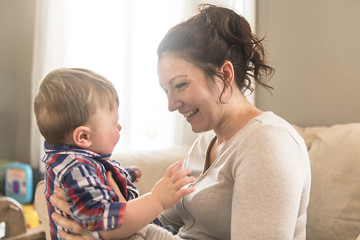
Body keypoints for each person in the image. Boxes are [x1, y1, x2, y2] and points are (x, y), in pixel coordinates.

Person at [50, 4, 311, 240]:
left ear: (225, 74)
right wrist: (101, 220)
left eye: (181, 85)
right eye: (166, 91)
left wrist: (132, 232)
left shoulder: (268, 143)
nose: (171, 105)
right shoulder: (205, 144)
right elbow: (166, 224)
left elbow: (150, 233)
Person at [34, 68, 195, 240]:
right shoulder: (77, 168)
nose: (119, 127)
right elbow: (105, 223)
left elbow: (97, 183)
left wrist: (124, 175)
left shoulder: (70, 162)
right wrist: (156, 200)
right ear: (83, 136)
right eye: (114, 123)